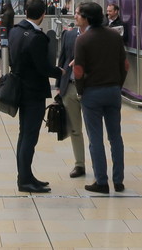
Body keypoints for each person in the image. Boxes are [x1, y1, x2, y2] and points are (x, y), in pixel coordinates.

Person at [73, 1, 128, 193]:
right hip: (113, 91)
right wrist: (117, 85)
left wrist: (80, 90)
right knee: (115, 137)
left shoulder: (83, 40)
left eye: (78, 13)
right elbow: (125, 65)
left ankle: (101, 181)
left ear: (87, 18)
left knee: (95, 138)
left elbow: (78, 70)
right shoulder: (115, 36)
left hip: (92, 93)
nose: (75, 16)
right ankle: (119, 180)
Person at [9, 0, 61, 193]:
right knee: (30, 137)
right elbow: (43, 68)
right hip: (33, 92)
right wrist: (60, 72)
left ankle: (26, 175)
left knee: (25, 135)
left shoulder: (15, 31)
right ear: (43, 14)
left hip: (21, 90)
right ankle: (24, 180)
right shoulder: (36, 37)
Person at [55, 15, 85, 179]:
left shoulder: (96, 36)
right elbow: (63, 60)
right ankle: (79, 164)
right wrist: (59, 85)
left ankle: (99, 166)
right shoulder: (69, 35)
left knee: (95, 131)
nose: (75, 17)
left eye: (78, 14)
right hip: (70, 86)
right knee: (75, 128)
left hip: (89, 90)